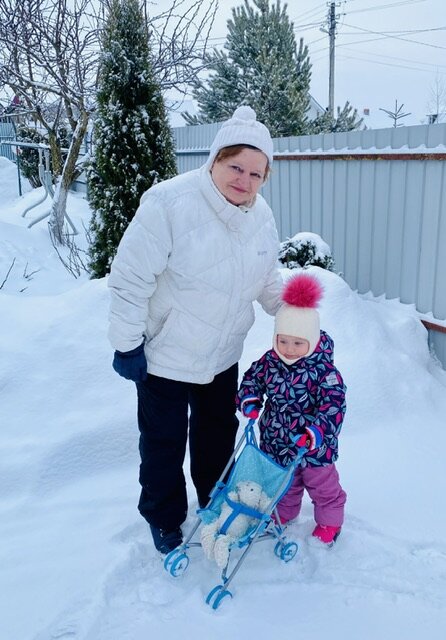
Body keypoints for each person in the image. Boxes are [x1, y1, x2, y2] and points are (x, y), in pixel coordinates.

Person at [107, 106, 283, 554]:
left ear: (265, 179)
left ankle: (214, 499)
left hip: (222, 354)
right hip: (167, 353)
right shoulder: (169, 202)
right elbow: (130, 278)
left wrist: (294, 313)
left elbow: (267, 278)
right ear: (214, 159)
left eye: (256, 173)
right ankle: (164, 519)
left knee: (216, 438)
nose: (244, 180)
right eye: (235, 166)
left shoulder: (260, 214)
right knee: (164, 444)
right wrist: (127, 344)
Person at [236, 272, 347, 546]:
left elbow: (334, 406)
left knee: (323, 487)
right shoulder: (270, 361)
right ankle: (283, 514)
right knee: (283, 484)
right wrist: (249, 398)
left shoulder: (324, 371)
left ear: (311, 340)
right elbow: (253, 378)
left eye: (298, 343)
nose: (289, 349)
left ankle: (330, 522)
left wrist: (315, 432)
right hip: (277, 441)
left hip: (313, 447)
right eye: (283, 341)